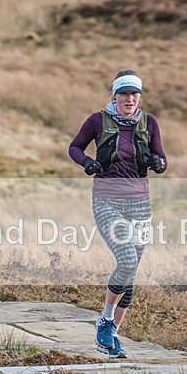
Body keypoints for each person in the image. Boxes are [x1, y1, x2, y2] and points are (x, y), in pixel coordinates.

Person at [68, 69, 167, 358]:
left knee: (131, 271)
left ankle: (111, 335)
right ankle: (105, 320)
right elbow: (74, 147)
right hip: (107, 200)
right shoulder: (97, 121)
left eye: (134, 93)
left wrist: (156, 162)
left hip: (140, 203)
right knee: (126, 258)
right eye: (124, 93)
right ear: (115, 95)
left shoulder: (150, 123)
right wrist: (87, 162)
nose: (130, 98)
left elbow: (162, 160)